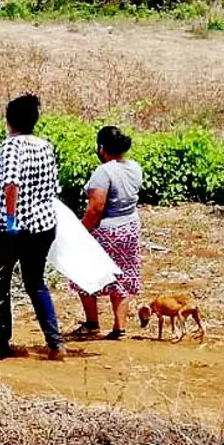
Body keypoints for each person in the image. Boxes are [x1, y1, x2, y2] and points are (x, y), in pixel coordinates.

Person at [0, 94, 64, 361]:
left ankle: (1, 341)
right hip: (43, 225)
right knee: (36, 283)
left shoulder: (11, 146)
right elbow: (53, 187)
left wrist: (10, 219)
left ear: (10, 121)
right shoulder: (45, 146)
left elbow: (11, 184)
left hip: (11, 229)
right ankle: (55, 342)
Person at [70, 126, 144, 340]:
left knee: (83, 273)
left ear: (102, 148)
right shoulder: (134, 167)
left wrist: (81, 230)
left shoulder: (103, 172)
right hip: (130, 227)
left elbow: (95, 209)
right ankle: (119, 328)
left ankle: (92, 324)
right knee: (121, 274)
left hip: (106, 231)